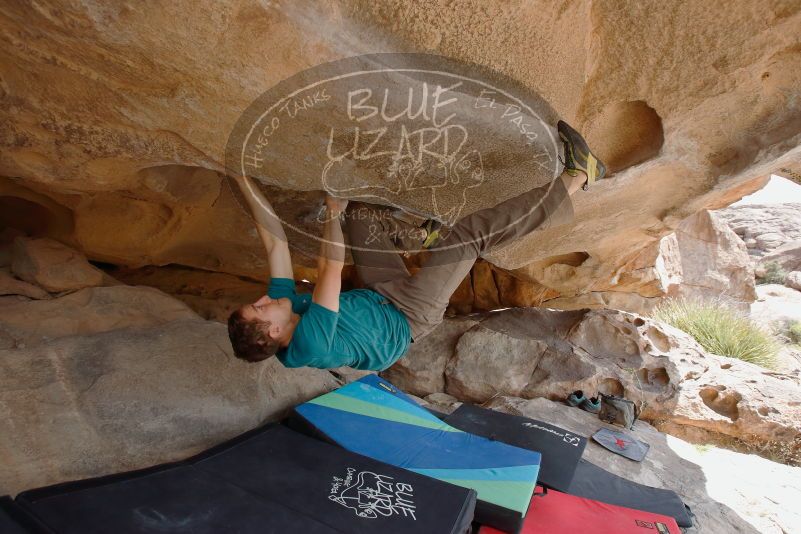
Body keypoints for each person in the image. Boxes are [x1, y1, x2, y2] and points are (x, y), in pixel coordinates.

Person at [227, 121, 606, 370]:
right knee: (470, 236)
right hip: (408, 316)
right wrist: (330, 212)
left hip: (377, 295)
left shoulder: (282, 310)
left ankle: (422, 238)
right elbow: (329, 269)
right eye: (259, 309)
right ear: (273, 334)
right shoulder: (308, 344)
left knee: (359, 214)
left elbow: (275, 245)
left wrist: (240, 177)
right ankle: (577, 177)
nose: (263, 299)